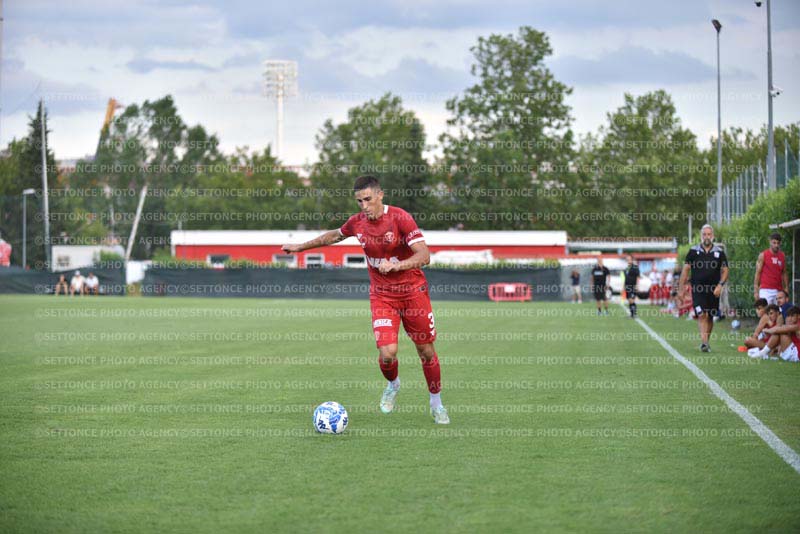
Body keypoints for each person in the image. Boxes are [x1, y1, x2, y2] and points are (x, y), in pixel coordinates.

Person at [281, 175, 449, 424]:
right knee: (388, 354)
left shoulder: (400, 218)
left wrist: (397, 265)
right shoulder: (357, 223)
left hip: (414, 293)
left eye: (368, 199)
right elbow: (334, 236)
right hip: (382, 296)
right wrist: (300, 247)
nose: (364, 206)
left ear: (380, 195)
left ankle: (436, 403)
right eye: (359, 201)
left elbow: (424, 256)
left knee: (425, 351)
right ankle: (393, 384)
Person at [678, 224, 729, 352]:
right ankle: (704, 343)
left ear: (713, 236)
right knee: (702, 314)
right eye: (704, 234)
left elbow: (725, 270)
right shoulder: (693, 251)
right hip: (698, 289)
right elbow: (685, 270)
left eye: (709, 234)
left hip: (714, 290)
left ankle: (706, 341)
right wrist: (681, 289)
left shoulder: (719, 252)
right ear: (701, 236)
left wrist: (720, 285)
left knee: (710, 316)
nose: (707, 237)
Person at [753, 232, 788, 305]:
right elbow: (758, 273)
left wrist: (786, 288)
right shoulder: (763, 255)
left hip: (778, 290)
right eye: (774, 243)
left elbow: (784, 273)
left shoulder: (782, 256)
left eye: (778, 243)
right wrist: (756, 291)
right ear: (770, 242)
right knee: (765, 310)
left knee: (779, 311)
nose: (776, 245)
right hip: (765, 290)